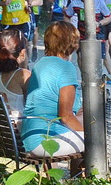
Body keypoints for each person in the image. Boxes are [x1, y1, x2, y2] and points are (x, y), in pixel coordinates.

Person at [20, 20, 85, 169]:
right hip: (44, 140)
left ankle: (68, 181)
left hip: (29, 135)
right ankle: (83, 183)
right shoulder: (66, 68)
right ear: (72, 43)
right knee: (97, 142)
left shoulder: (41, 64)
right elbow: (65, 115)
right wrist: (86, 135)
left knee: (84, 125)